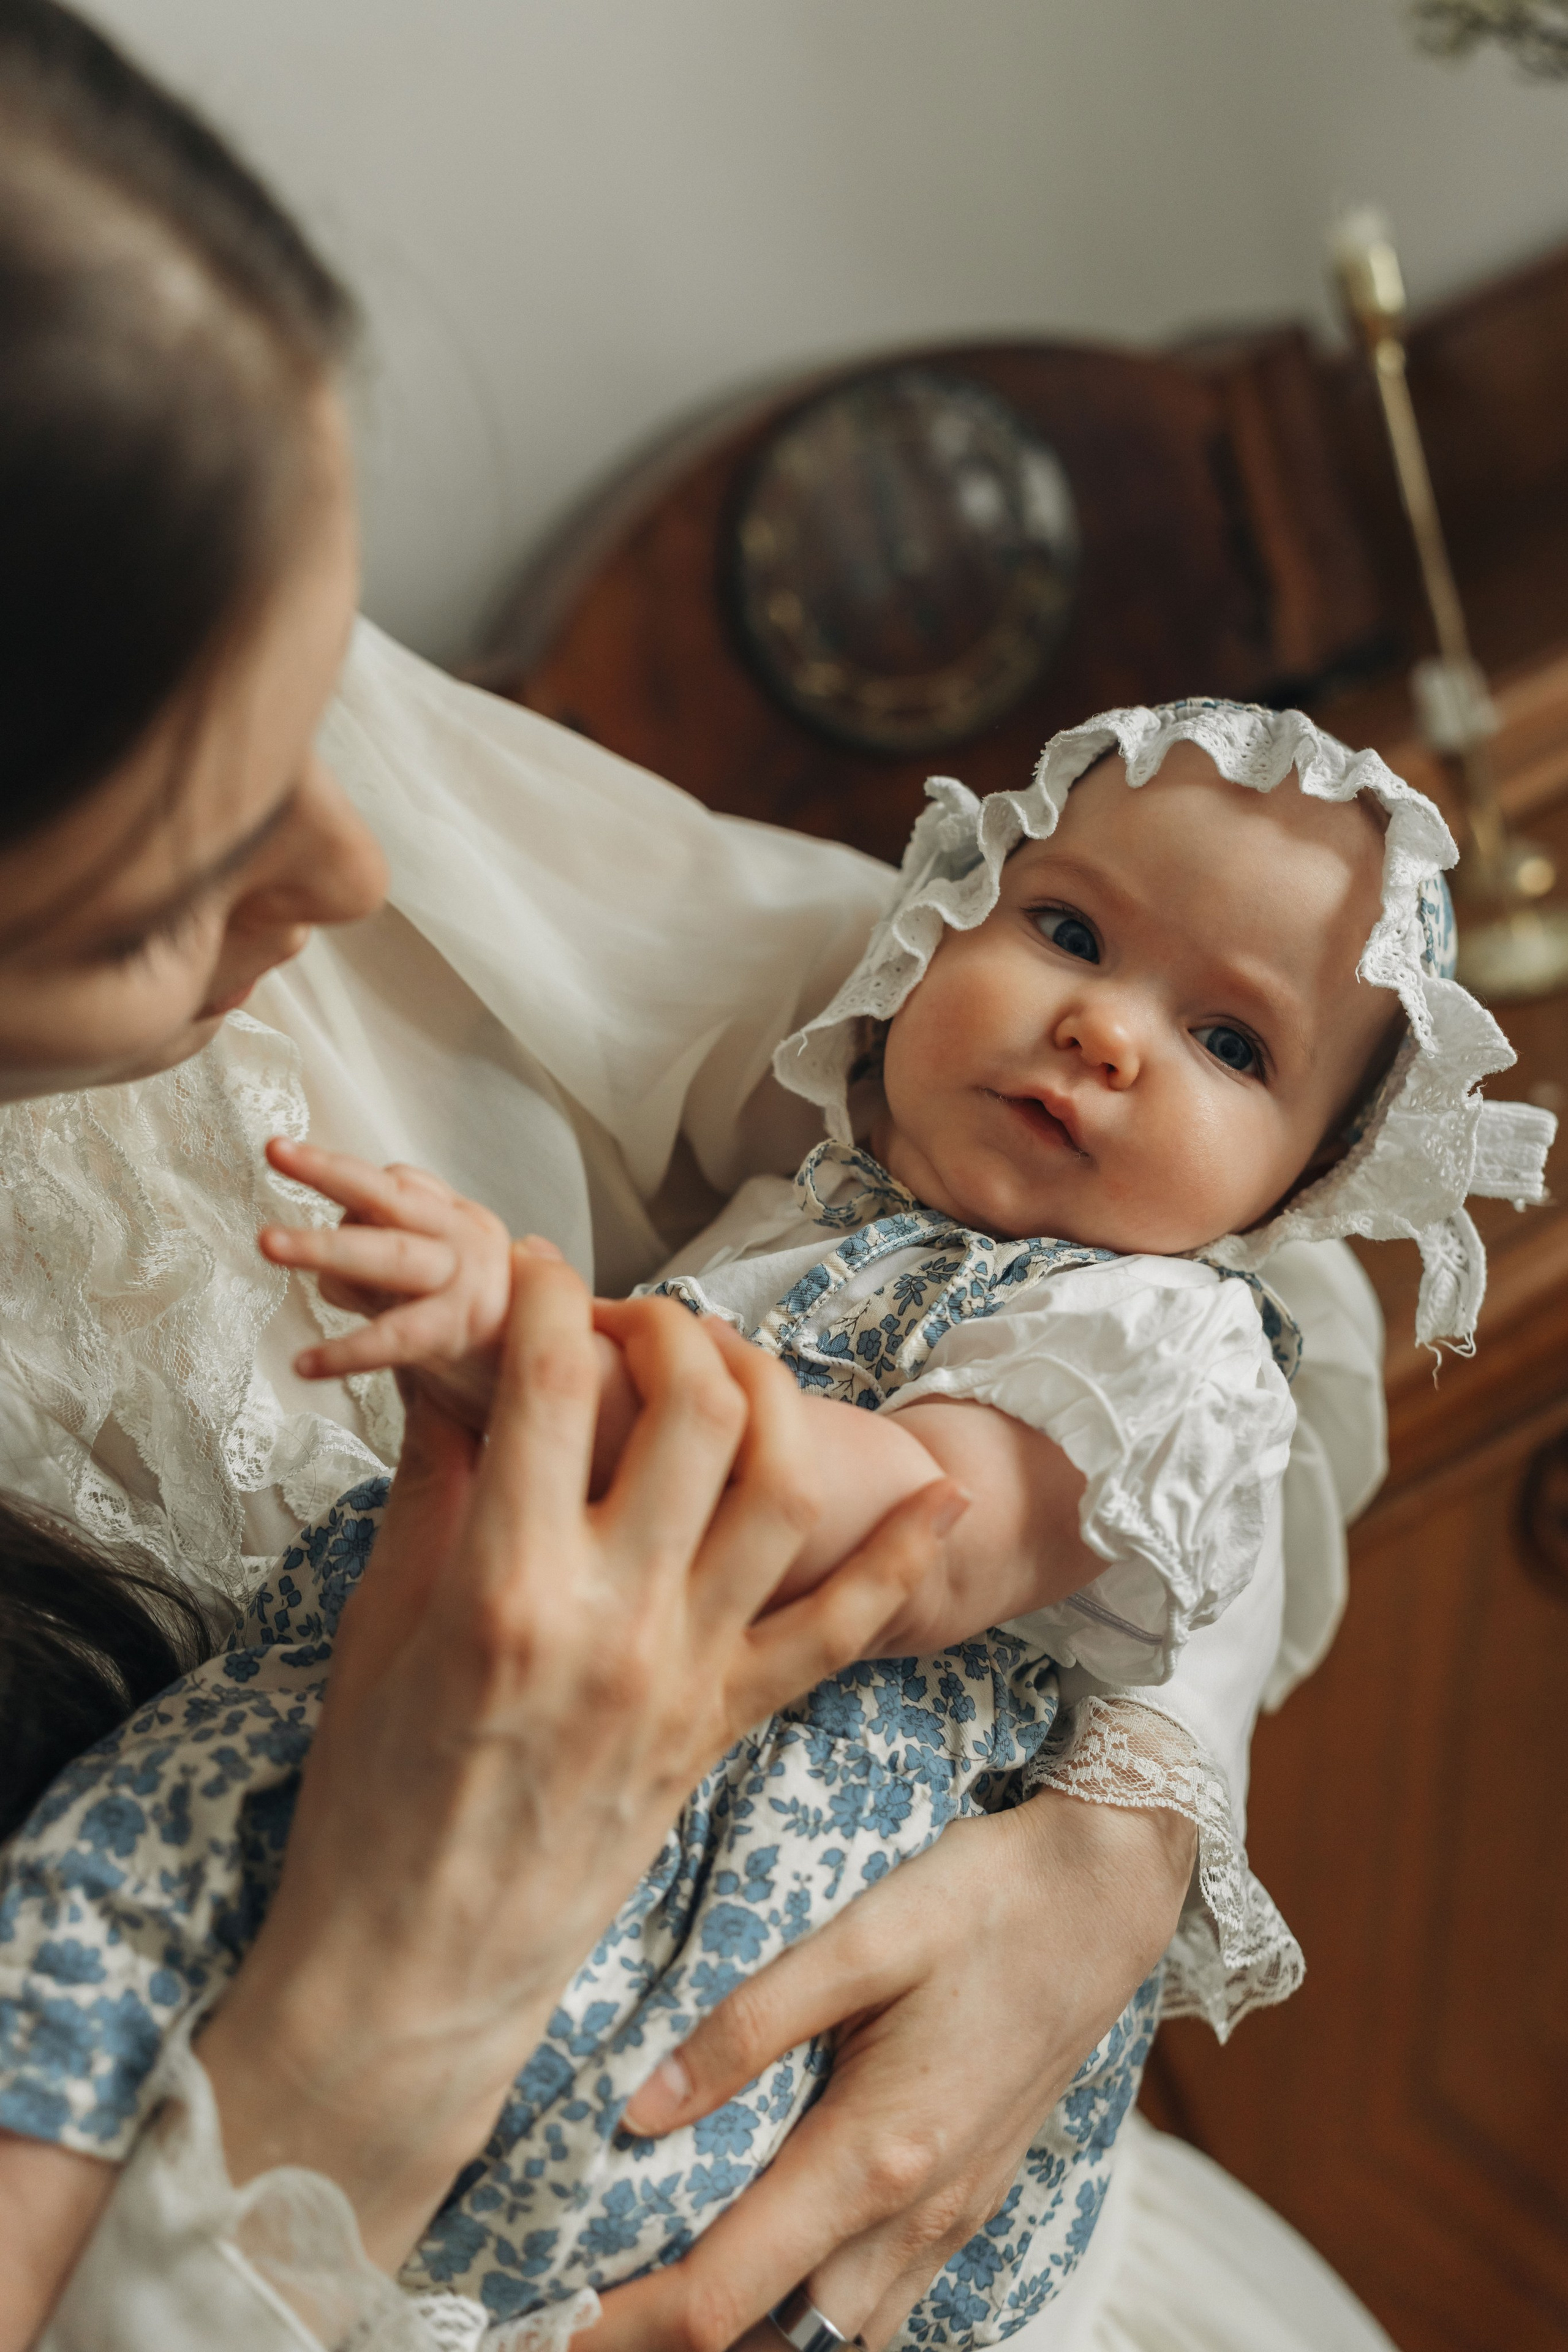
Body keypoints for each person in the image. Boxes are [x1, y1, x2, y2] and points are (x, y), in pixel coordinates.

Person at [0, 3, 1407, 2346]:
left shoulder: (150, 522)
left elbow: (1269, 1315)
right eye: (174, 876)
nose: (347, 872)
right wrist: (379, 2006)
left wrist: (1134, 1807)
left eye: (320, 695)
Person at [7, 676, 1550, 2347]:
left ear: (1298, 1190)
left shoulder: (1165, 1344)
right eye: (1067, 931)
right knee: (104, 1895)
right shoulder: (804, 1187)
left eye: (1230, 1043)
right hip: (409, 1728)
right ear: (941, 920)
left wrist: (532, 1347)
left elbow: (894, 1530)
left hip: (724, 1875)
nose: (1106, 1031)